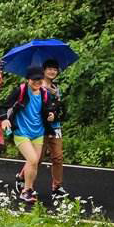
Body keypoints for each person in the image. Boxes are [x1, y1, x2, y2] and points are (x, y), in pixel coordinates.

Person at [0, 66, 55, 203]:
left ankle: (28, 189)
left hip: (38, 132)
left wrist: (52, 115)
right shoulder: (21, 90)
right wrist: (4, 119)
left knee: (35, 163)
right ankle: (26, 191)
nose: (37, 82)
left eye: (40, 79)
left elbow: (48, 110)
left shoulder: (45, 93)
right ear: (28, 79)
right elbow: (3, 106)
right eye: (34, 79)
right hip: (21, 131)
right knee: (33, 159)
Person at [41, 60, 69, 198]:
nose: (52, 72)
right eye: (49, 69)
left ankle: (57, 186)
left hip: (55, 126)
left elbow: (61, 108)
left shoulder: (57, 88)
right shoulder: (36, 85)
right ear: (44, 70)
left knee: (58, 157)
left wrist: (55, 113)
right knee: (37, 158)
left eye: (55, 69)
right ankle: (22, 177)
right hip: (40, 126)